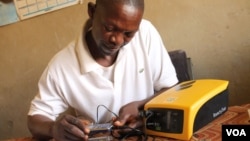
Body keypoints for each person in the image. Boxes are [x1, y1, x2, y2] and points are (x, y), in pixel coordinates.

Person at [27, 0, 178, 140]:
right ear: (92, 12)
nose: (117, 40)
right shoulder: (61, 66)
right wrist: (53, 128)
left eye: (128, 34)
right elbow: (35, 118)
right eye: (109, 28)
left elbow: (173, 89)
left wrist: (140, 108)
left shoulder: (146, 34)